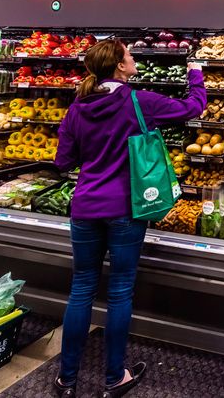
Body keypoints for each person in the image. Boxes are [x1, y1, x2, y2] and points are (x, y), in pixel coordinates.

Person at [53, 39, 206, 398]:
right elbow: (193, 107)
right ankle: (113, 378)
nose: (134, 59)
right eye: (129, 55)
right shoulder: (139, 101)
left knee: (80, 291)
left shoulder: (77, 109)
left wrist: (95, 156)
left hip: (85, 208)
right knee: (120, 292)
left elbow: (63, 162)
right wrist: (196, 74)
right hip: (125, 209)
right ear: (120, 67)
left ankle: (67, 379)